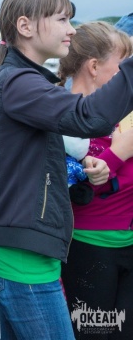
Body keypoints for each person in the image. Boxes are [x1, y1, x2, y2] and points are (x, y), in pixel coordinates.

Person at [0, 0, 133, 339]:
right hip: (17, 251)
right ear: (25, 26)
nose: (71, 30)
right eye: (62, 19)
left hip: (18, 243)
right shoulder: (18, 82)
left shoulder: (20, 79)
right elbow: (89, 117)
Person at [57, 21, 133, 339]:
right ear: (93, 66)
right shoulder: (62, 115)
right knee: (94, 333)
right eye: (123, 67)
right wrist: (119, 153)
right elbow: (75, 186)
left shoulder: (120, 117)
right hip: (88, 248)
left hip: (126, 245)